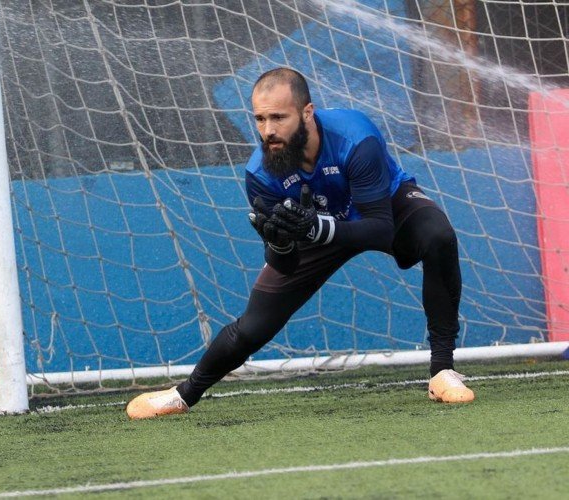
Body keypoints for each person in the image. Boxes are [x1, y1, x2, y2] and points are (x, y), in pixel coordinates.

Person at [126, 67, 474, 420]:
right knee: (253, 326)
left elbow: (380, 229)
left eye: (279, 117)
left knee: (438, 236)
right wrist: (278, 245)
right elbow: (287, 265)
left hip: (377, 209)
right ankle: (184, 394)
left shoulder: (356, 137)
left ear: (307, 112)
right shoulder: (261, 174)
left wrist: (318, 228)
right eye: (260, 119)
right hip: (314, 228)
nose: (268, 131)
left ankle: (442, 372)